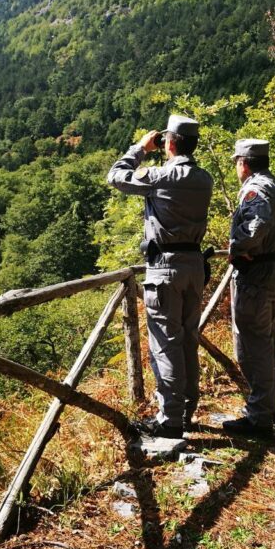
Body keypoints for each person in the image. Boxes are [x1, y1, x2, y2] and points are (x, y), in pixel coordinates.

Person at [107, 115, 214, 439]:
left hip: (164, 268)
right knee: (187, 342)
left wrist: (139, 148)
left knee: (166, 346)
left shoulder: (161, 176)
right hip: (195, 265)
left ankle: (170, 421)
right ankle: (186, 412)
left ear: (168, 143)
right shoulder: (204, 179)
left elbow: (116, 176)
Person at [224, 138, 275, 438]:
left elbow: (257, 223)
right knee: (269, 341)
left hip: (256, 274)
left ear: (244, 163)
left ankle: (258, 417)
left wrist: (240, 247)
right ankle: (273, 409)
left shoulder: (254, 189)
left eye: (236, 162)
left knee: (251, 345)